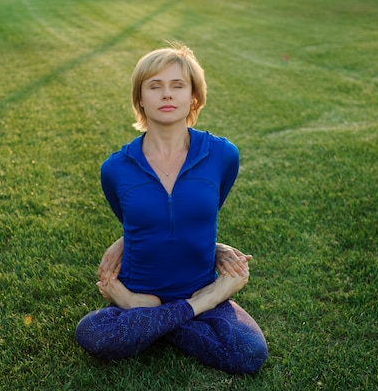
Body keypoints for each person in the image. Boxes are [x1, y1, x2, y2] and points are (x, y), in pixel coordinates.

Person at [75, 43, 267, 374]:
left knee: (248, 353)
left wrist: (215, 252)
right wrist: (136, 298)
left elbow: (201, 215)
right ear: (140, 99)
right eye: (155, 86)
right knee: (91, 334)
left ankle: (151, 322)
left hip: (196, 286)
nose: (167, 95)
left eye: (177, 86)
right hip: (141, 292)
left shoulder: (223, 155)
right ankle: (186, 312)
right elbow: (137, 222)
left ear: (194, 97)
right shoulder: (115, 168)